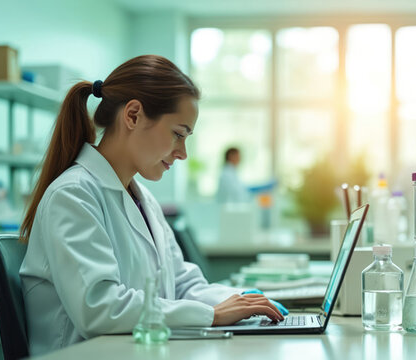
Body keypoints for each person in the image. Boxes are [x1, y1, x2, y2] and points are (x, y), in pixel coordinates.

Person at [18, 55, 287, 355]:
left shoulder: (143, 199)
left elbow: (181, 285)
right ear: (133, 115)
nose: (182, 153)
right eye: (178, 134)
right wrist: (212, 315)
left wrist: (245, 300)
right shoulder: (72, 195)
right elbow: (99, 307)